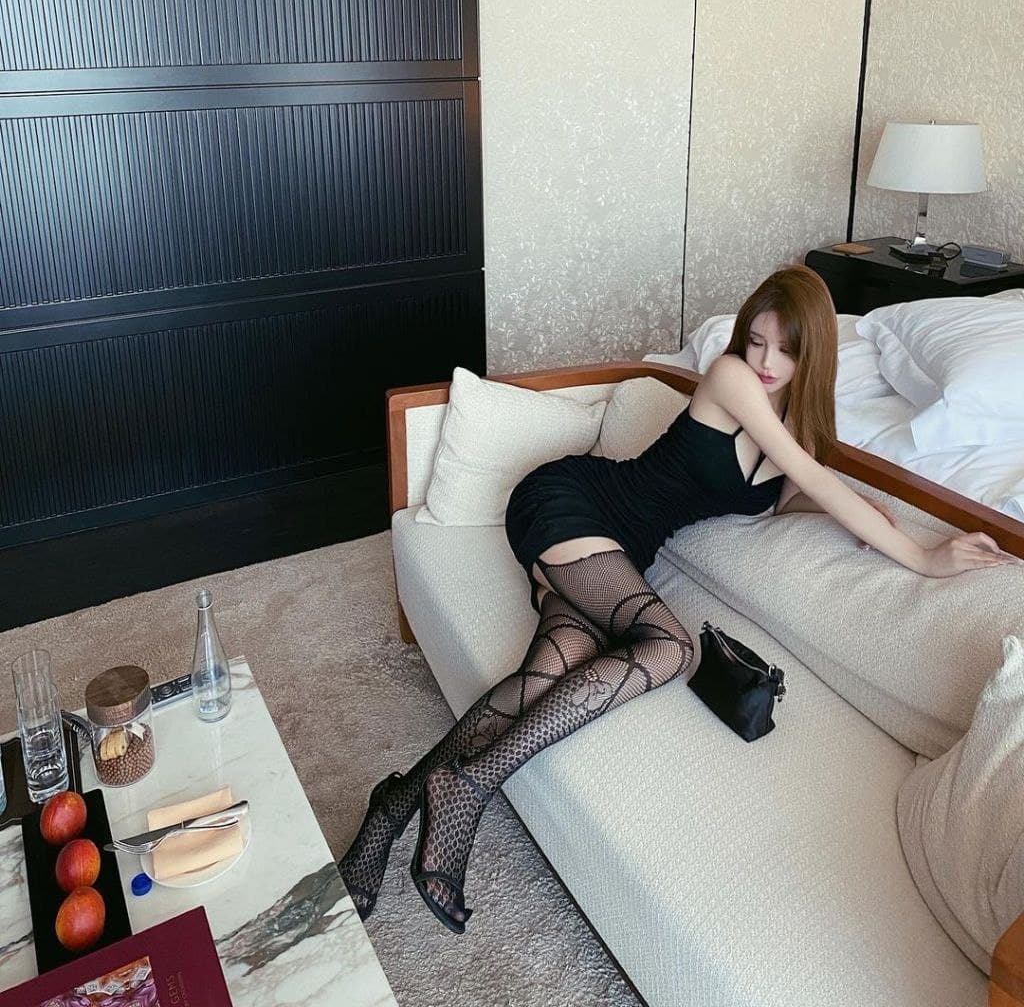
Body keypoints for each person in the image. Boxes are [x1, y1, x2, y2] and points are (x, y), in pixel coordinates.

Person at [338, 264, 1014, 933]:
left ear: (812, 355)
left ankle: (391, 808)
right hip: (573, 501)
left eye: (784, 349)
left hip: (617, 553)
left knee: (549, 669)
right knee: (668, 646)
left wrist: (860, 516)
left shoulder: (798, 430)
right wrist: (924, 557)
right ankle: (470, 786)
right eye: (757, 340)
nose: (766, 361)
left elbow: (789, 495)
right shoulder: (731, 378)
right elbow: (808, 472)